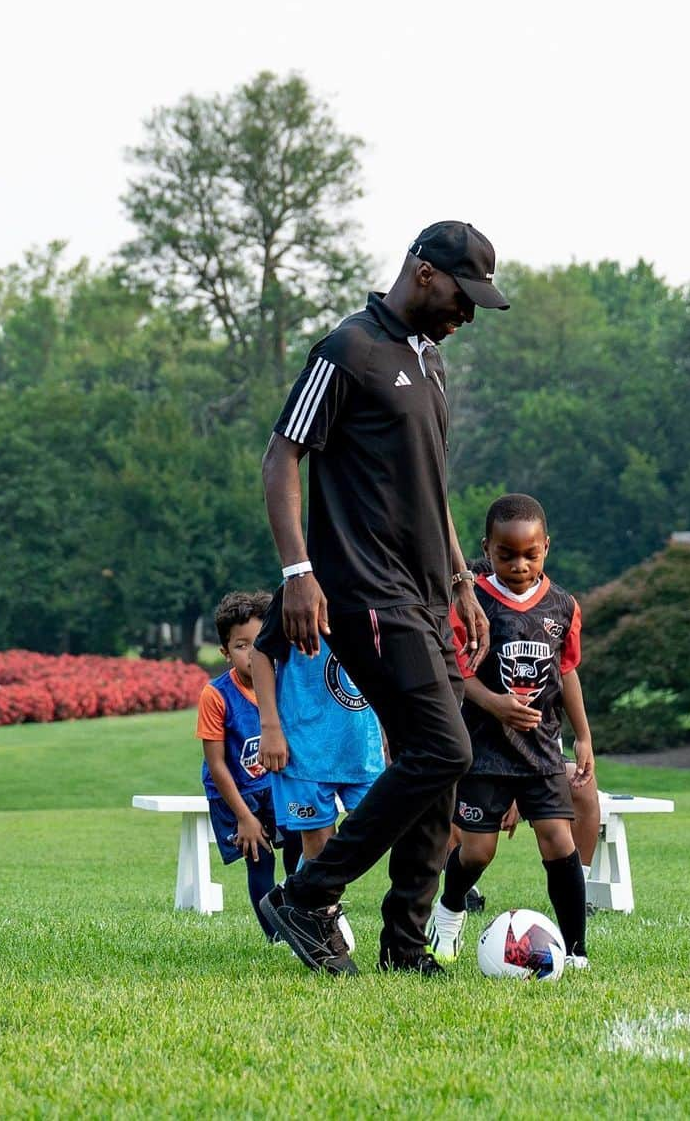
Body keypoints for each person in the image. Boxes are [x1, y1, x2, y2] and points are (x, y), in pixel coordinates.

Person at [258, 221, 509, 976]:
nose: (467, 315)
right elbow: (281, 455)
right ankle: (308, 895)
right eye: (463, 297)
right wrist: (297, 572)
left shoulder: (431, 365)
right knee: (445, 746)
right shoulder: (349, 350)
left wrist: (463, 582)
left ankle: (405, 945)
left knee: (437, 765)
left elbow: (430, 492)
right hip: (367, 593)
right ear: (423, 273)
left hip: (429, 597)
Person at [429, 493, 594, 968]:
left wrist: (583, 737)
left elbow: (567, 673)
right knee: (478, 851)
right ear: (488, 547)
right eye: (506, 554)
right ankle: (450, 907)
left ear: (547, 547)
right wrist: (495, 704)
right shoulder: (472, 602)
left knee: (558, 841)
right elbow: (455, 671)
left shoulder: (563, 606)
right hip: (483, 747)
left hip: (541, 748)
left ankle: (577, 950)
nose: (519, 564)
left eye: (530, 554)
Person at [251, 586, 385, 866]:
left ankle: (298, 898)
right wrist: (270, 728)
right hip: (305, 747)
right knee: (319, 846)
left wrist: (390, 731)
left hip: (364, 746)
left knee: (378, 833)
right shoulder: (296, 591)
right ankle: (317, 907)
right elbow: (261, 654)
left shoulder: (382, 585)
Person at [195, 591, 300, 943]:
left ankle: (301, 914)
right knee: (260, 858)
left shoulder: (285, 684)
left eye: (260, 643)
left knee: (300, 844)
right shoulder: (216, 695)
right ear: (225, 652)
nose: (253, 655)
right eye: (242, 646)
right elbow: (217, 765)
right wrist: (244, 817)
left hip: (275, 787)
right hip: (236, 794)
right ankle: (276, 938)